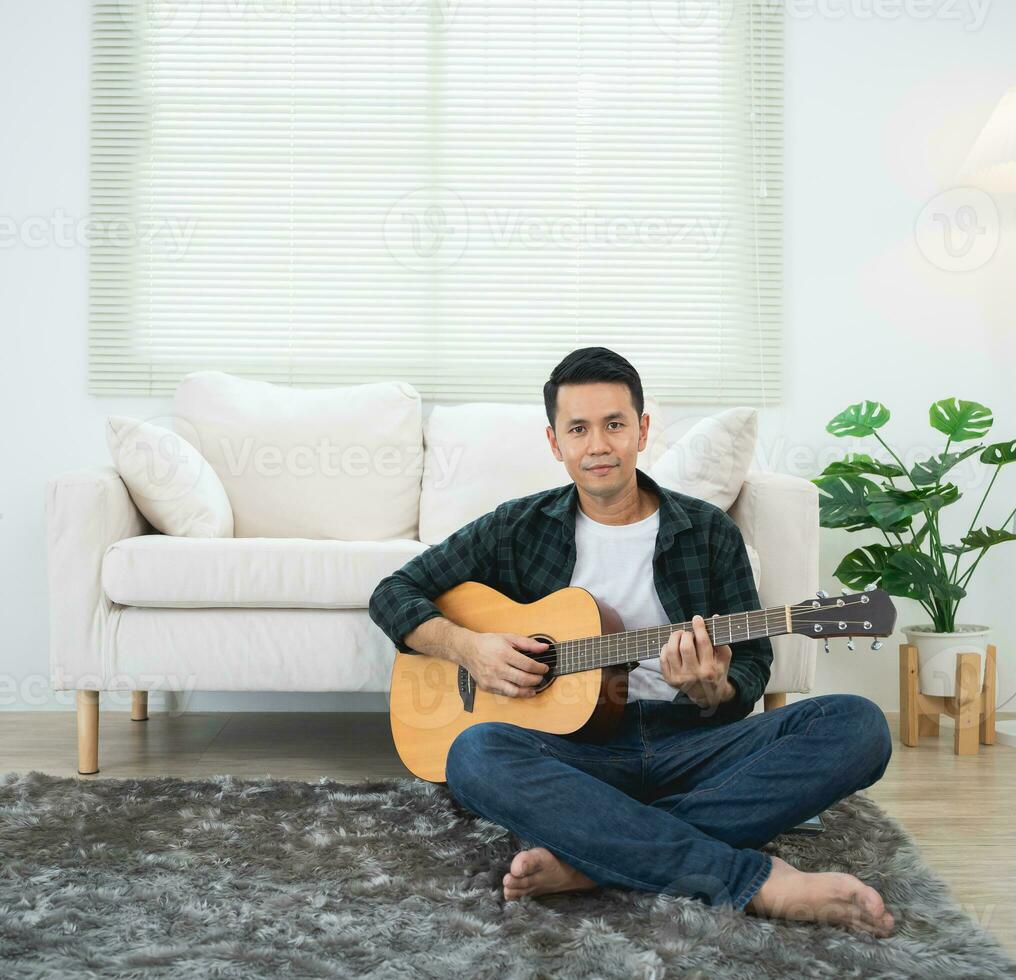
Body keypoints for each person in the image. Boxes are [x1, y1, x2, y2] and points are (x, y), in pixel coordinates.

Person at [368, 347, 895, 938]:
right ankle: (753, 882)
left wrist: (713, 688)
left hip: (694, 746)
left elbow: (751, 667)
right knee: (473, 754)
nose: (598, 445)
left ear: (642, 431)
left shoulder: (708, 532)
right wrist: (470, 649)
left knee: (858, 726)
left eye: (615, 424)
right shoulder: (516, 527)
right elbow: (392, 593)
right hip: (575, 756)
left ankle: (592, 856)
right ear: (554, 442)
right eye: (579, 429)